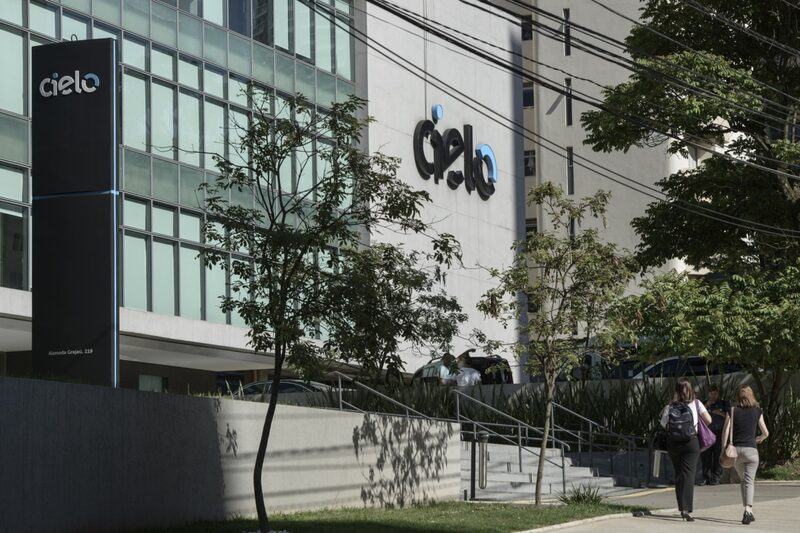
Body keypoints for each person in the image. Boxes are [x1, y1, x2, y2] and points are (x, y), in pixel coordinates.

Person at [660, 377, 712, 522]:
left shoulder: (670, 406)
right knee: (688, 474)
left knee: (678, 474)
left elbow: (664, 424)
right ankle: (686, 509)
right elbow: (709, 420)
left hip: (673, 443)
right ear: (690, 389)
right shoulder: (696, 403)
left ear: (676, 390)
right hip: (691, 442)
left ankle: (681, 507)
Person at [721, 386, 769, 525]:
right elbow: (766, 432)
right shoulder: (757, 411)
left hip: (736, 452)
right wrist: (759, 438)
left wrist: (723, 448)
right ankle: (748, 510)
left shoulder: (732, 410)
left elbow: (725, 431)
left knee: (744, 479)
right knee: (749, 481)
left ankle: (749, 511)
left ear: (738, 397)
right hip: (751, 452)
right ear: (751, 396)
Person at [700, 384, 728, 485]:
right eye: (711, 394)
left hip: (719, 432)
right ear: (708, 394)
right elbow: (698, 415)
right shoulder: (703, 404)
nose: (713, 396)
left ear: (718, 394)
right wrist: (707, 405)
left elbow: (730, 416)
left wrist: (720, 413)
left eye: (715, 394)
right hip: (707, 433)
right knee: (706, 456)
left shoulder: (724, 404)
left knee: (717, 455)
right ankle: (705, 477)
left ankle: (716, 477)